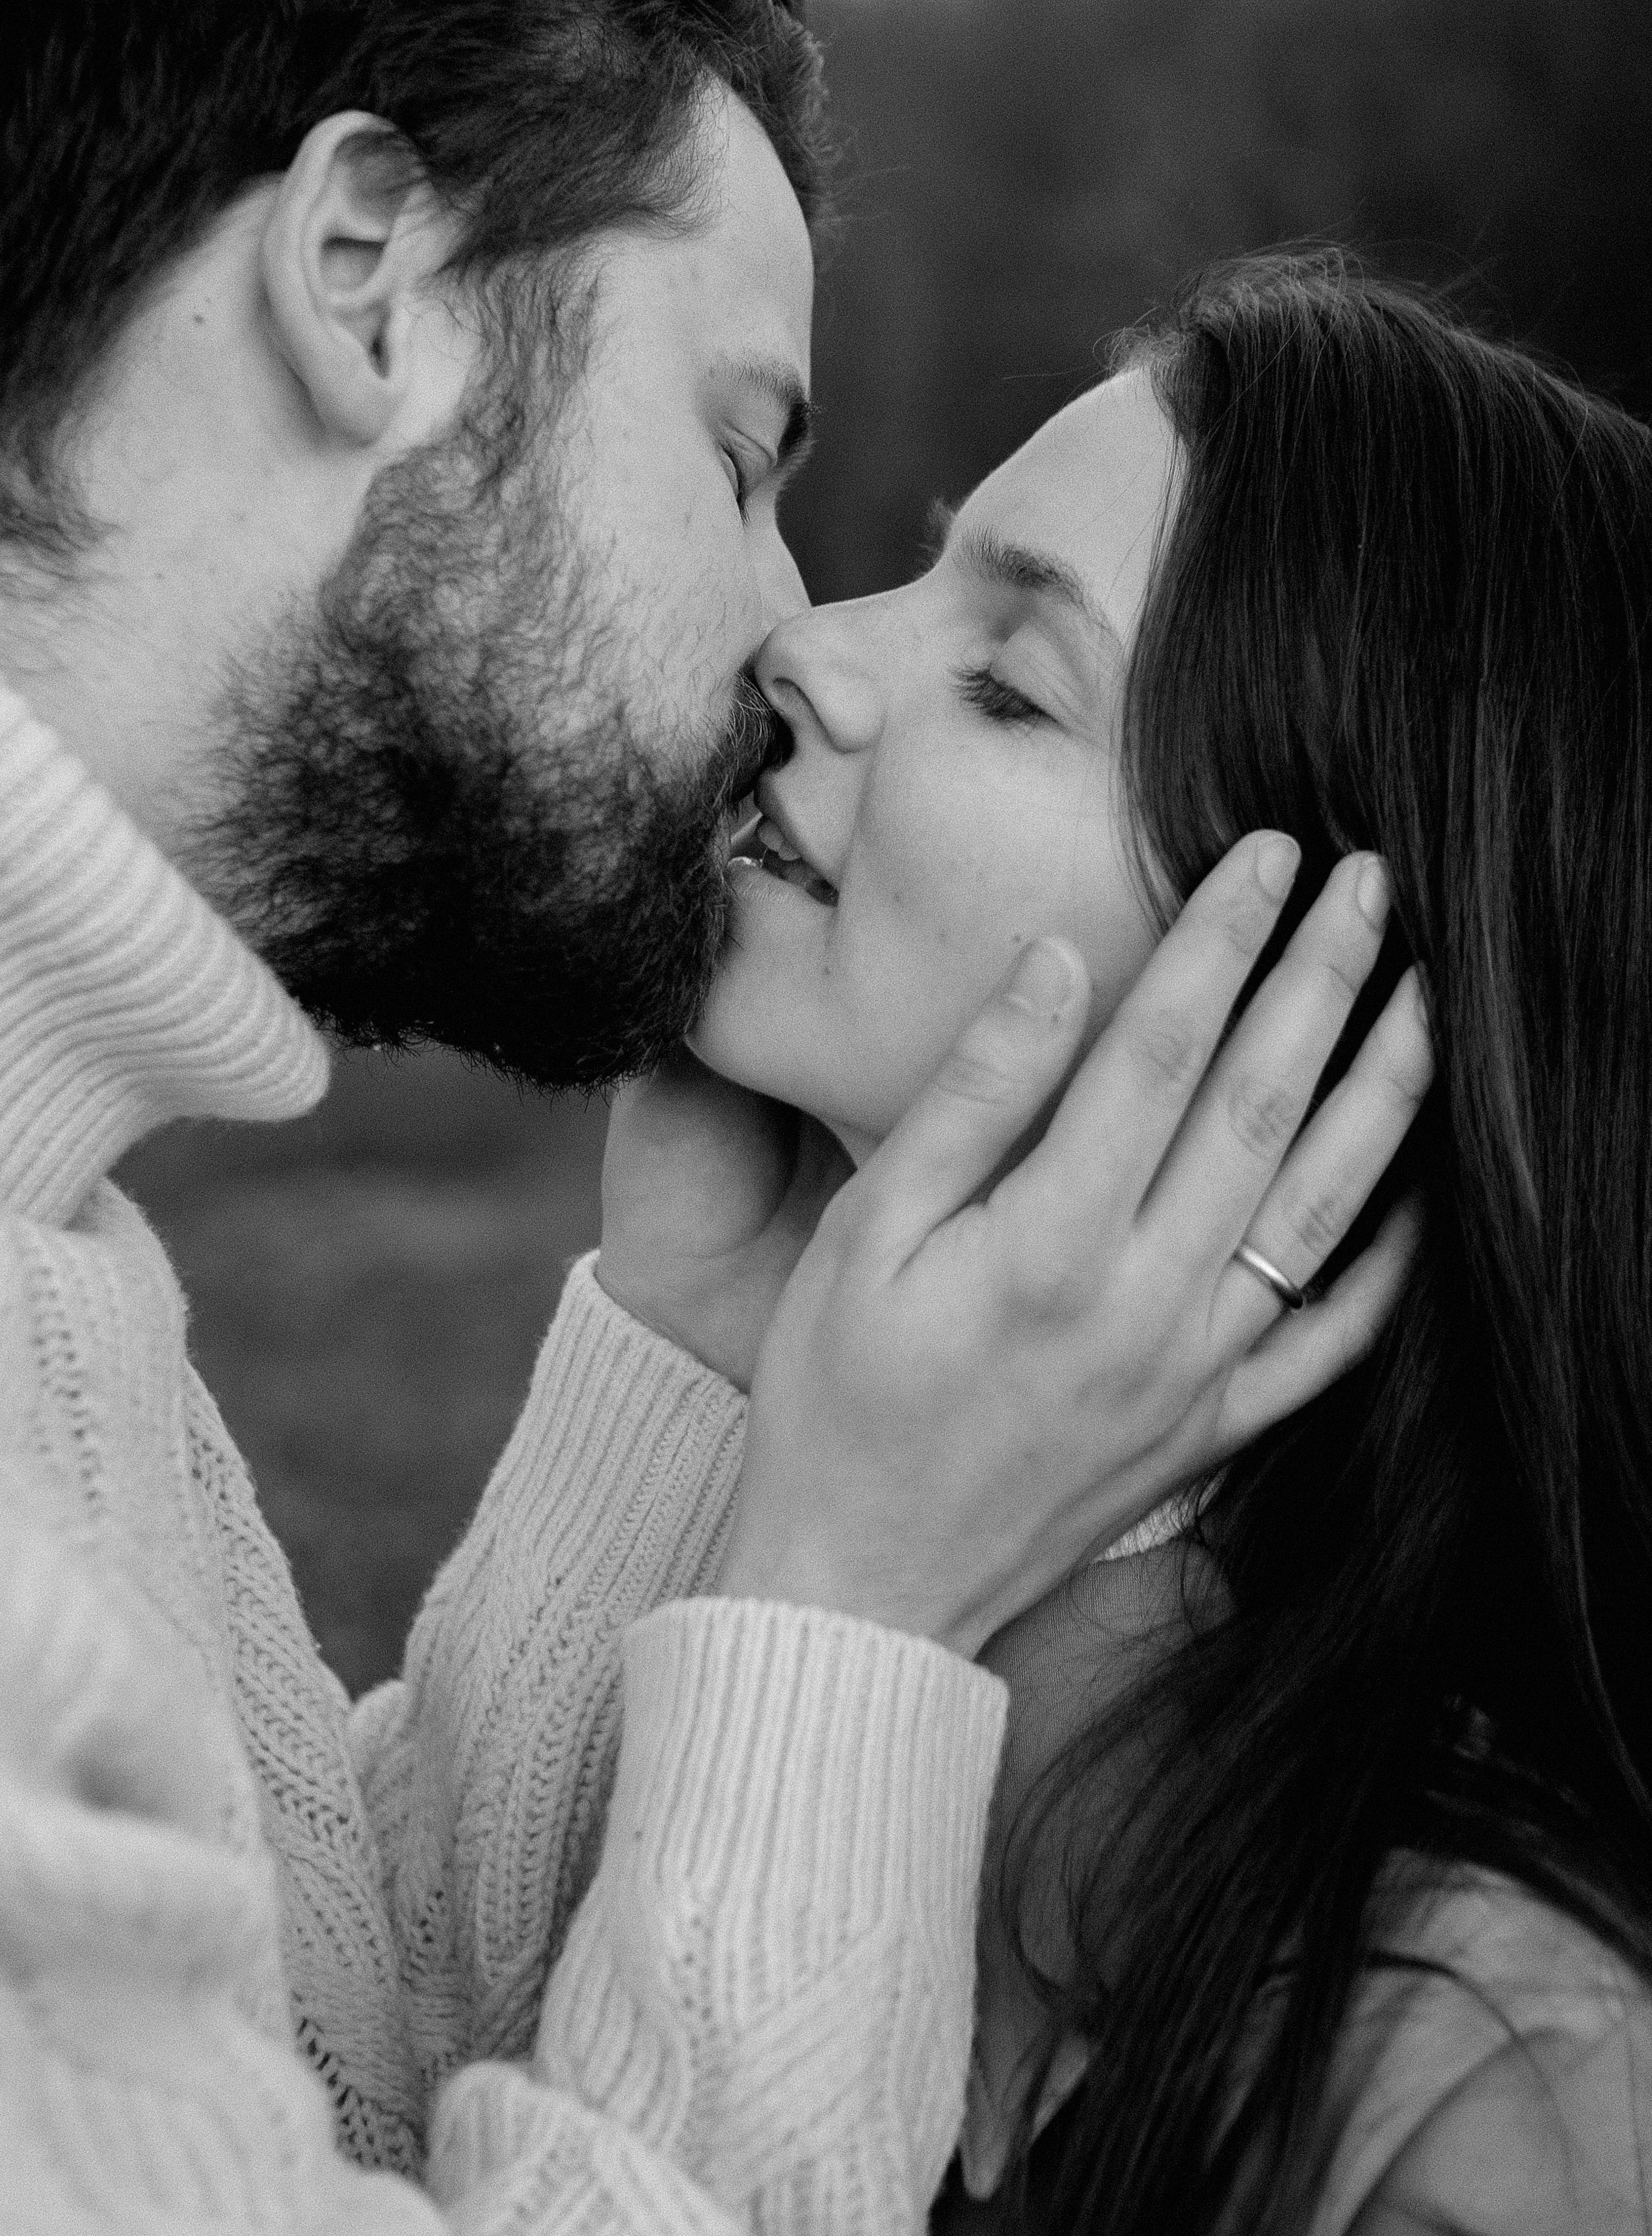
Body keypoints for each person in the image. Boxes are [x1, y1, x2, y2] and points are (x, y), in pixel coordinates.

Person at [0, 0, 1430, 2226]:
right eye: (740, 449)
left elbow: (335, 2104)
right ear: (370, 283)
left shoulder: (54, 1268)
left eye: (1010, 672)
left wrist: (684, 1359)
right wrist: (851, 1599)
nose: (787, 635)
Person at [598, 253, 1651, 2233]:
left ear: (1334, 1026)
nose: (811, 650)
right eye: (920, 576)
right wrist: (683, 1360)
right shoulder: (781, 1580)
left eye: (1011, 682)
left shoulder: (1488, 2093)